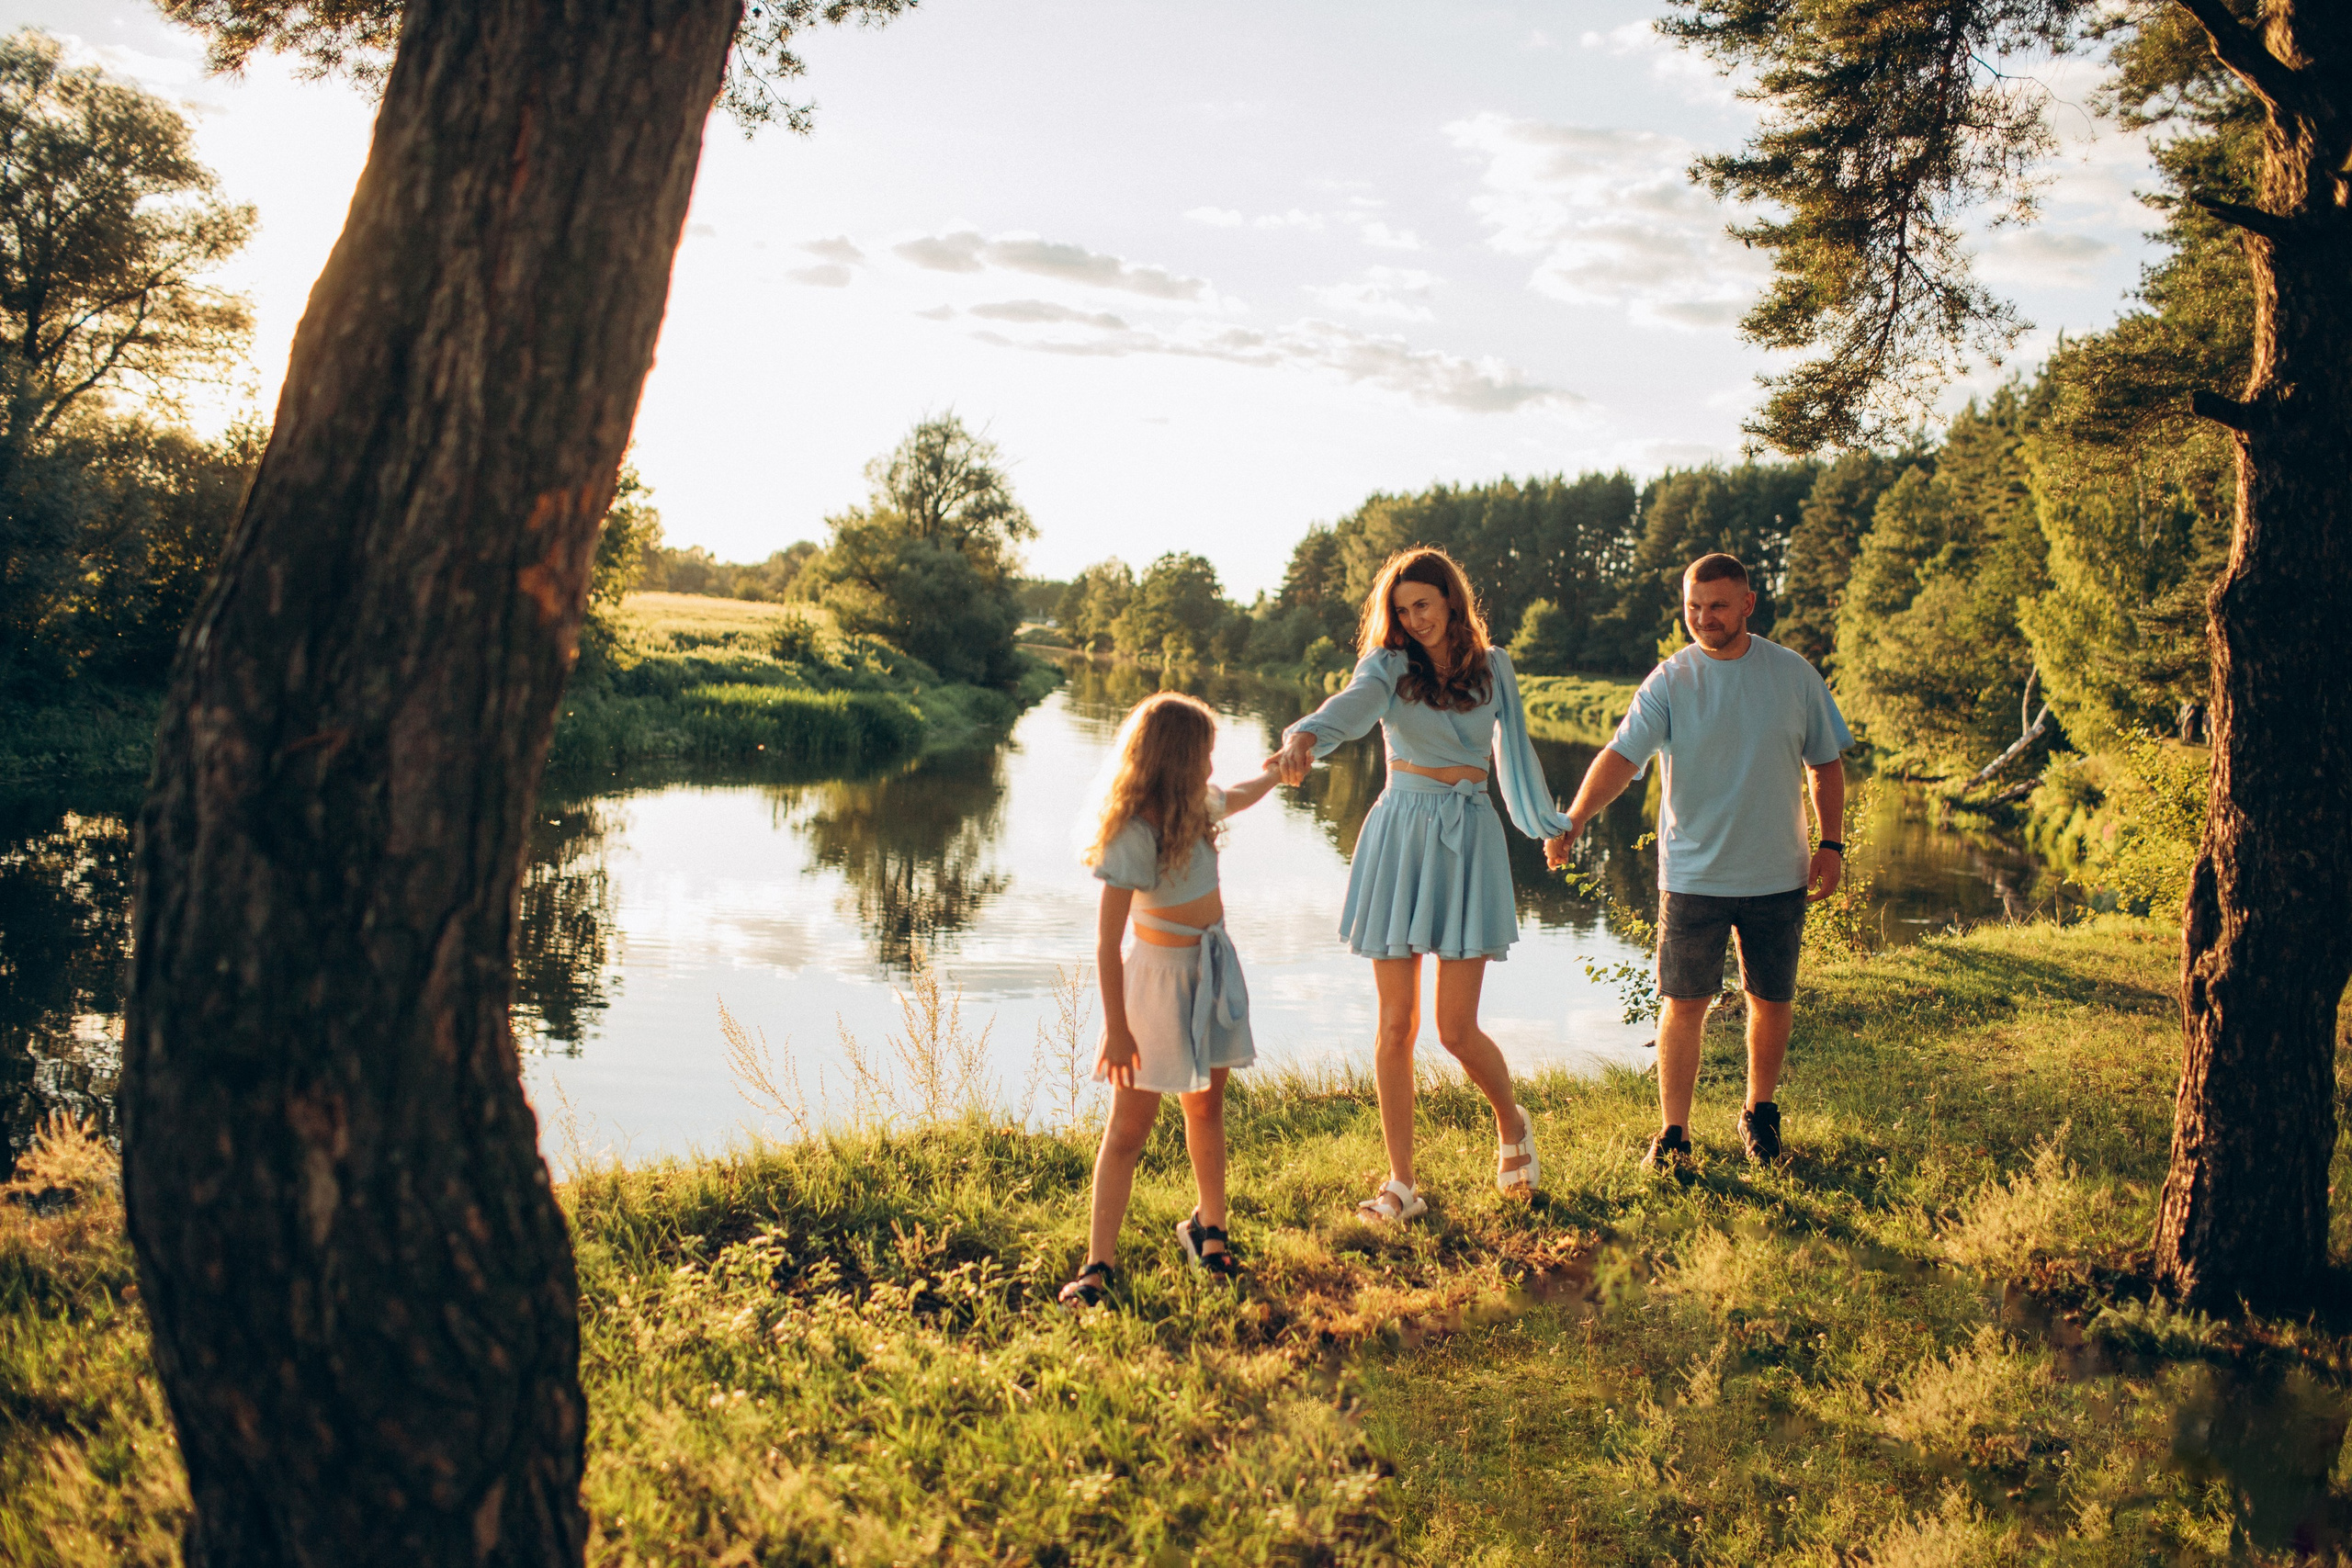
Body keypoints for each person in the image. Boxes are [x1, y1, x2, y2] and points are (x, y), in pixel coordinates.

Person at [1268, 547, 1570, 1222]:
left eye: (1423, 605)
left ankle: (1512, 1122)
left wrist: (1549, 823)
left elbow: (1515, 756)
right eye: (1401, 610)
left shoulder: (1495, 671)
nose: (1414, 619)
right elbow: (1349, 709)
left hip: (1469, 837)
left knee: (1457, 1028)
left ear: (1451, 601)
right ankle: (1400, 1184)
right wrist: (1304, 736)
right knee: (1396, 1024)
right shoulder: (1387, 667)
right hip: (1400, 835)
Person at [1544, 552, 1852, 1169]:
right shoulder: (1670, 680)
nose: (1704, 618)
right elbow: (1622, 757)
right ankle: (1674, 1133)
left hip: (1777, 872)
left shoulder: (1793, 675)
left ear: (1747, 604)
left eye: (1716, 605)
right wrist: (1573, 818)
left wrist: (1831, 843)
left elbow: (1826, 763)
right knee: (1684, 1003)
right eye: (1693, 607)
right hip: (1692, 875)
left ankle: (1759, 1114)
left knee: (1770, 998)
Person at [1059, 692, 1282, 1308]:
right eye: (1205, 754)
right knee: (1129, 1128)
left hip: (1209, 970)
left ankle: (1209, 1229)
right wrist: (1116, 1028)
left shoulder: (1196, 806)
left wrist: (1279, 766)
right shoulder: (1134, 830)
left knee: (1206, 1110)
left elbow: (1241, 792)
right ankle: (1097, 1264)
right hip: (1156, 983)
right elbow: (1107, 943)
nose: (1212, 766)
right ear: (1177, 759)